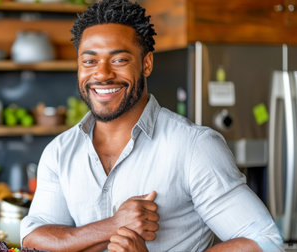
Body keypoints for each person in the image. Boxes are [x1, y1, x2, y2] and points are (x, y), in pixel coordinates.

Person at [20, 0, 284, 251]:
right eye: (89, 61)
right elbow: (34, 238)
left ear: (146, 63)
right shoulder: (59, 152)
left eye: (119, 60)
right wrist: (112, 227)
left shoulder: (193, 147)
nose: (101, 73)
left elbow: (266, 242)